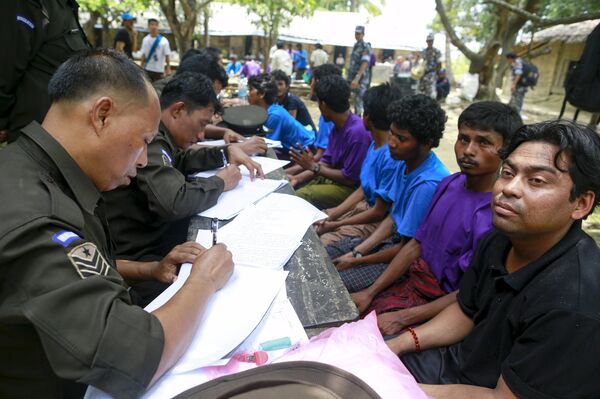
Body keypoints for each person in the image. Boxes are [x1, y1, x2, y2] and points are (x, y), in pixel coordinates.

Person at [0, 48, 234, 398]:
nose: (143, 160)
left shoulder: (30, 170)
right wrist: (203, 282)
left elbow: (80, 270)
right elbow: (137, 356)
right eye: (142, 141)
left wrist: (150, 269)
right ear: (102, 115)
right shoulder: (37, 213)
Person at [387, 120, 600, 399]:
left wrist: (393, 389)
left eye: (536, 180)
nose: (509, 189)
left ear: (581, 203)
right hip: (454, 365)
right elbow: (466, 310)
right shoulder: (501, 238)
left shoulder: (573, 303)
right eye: (508, 172)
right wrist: (399, 343)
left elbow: (503, 397)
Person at [349, 102, 522, 336]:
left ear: (507, 151)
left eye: (484, 142)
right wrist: (371, 291)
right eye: (463, 139)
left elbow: (468, 293)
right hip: (412, 282)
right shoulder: (448, 184)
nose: (469, 150)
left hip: (444, 308)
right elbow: (416, 245)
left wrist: (403, 317)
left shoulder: (497, 215)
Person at [104, 72, 262, 292]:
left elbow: (179, 160)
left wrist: (224, 154)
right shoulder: (152, 138)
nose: (200, 135)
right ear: (177, 110)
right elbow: (174, 201)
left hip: (151, 238)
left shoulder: (164, 139)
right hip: (139, 253)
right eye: (201, 124)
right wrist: (219, 182)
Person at [327, 94, 449, 292]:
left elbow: (406, 250)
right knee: (326, 254)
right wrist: (357, 251)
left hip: (405, 259)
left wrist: (358, 260)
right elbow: (393, 218)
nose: (392, 142)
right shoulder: (405, 163)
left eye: (401, 138)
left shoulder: (427, 183)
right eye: (392, 133)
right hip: (391, 242)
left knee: (334, 284)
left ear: (426, 143)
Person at [316, 83, 403, 246]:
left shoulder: (391, 156)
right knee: (316, 221)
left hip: (377, 222)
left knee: (323, 242)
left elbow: (379, 212)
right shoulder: (374, 145)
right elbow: (362, 189)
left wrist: (337, 223)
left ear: (367, 117)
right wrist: (333, 214)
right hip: (363, 208)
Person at [1, 0, 90, 144]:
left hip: (65, 140)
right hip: (33, 141)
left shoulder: (65, 6)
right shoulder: (29, 4)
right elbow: (6, 70)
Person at [288, 75, 372, 209]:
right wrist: (297, 178)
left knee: (300, 197)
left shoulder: (357, 133)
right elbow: (325, 162)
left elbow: (349, 179)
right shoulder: (337, 126)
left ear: (324, 105)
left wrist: (314, 167)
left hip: (350, 189)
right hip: (333, 179)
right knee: (292, 188)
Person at [247, 73, 314, 155]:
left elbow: (267, 146)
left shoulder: (274, 115)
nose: (248, 94)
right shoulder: (267, 110)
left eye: (250, 90)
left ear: (261, 94)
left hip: (306, 150)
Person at [347, 26, 372, 116]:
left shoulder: (366, 47)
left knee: (358, 100)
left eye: (359, 34)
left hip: (360, 79)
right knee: (348, 97)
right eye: (356, 33)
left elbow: (364, 63)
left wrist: (357, 78)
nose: (357, 35)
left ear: (363, 34)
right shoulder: (355, 46)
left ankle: (358, 120)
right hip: (351, 77)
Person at [419, 33, 442, 99]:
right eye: (428, 41)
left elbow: (439, 63)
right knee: (423, 90)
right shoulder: (424, 51)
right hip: (424, 73)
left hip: (432, 73)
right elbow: (423, 62)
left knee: (431, 91)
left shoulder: (436, 51)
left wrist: (437, 73)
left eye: (431, 41)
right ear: (426, 41)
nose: (430, 42)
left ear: (433, 41)